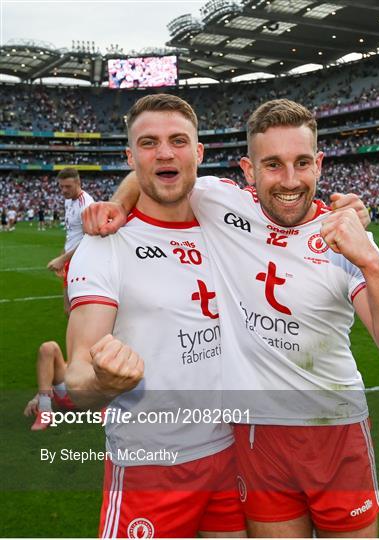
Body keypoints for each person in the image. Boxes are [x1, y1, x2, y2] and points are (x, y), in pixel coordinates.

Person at [83, 98, 379, 538]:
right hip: (255, 435)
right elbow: (161, 166)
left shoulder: (344, 236)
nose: (289, 180)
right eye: (273, 165)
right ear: (248, 169)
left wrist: (373, 263)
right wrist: (117, 205)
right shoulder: (219, 202)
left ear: (319, 164)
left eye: (302, 163)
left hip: (334, 429)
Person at [65, 95, 246, 539]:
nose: (165, 152)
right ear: (130, 157)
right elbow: (77, 375)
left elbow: (293, 202)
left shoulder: (225, 218)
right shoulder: (104, 245)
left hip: (232, 454)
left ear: (198, 153)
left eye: (178, 141)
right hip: (151, 462)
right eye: (148, 143)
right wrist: (103, 384)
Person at [47, 168, 94, 314]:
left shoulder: (86, 204)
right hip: (71, 258)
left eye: (68, 186)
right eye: (61, 186)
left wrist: (63, 259)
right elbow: (72, 232)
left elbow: (90, 238)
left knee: (76, 309)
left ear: (78, 182)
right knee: (69, 309)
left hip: (83, 260)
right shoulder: (68, 201)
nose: (64, 190)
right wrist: (64, 254)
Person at [23, 341, 74, 431]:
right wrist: (37, 398)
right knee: (48, 348)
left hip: (93, 395)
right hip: (66, 391)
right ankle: (45, 409)